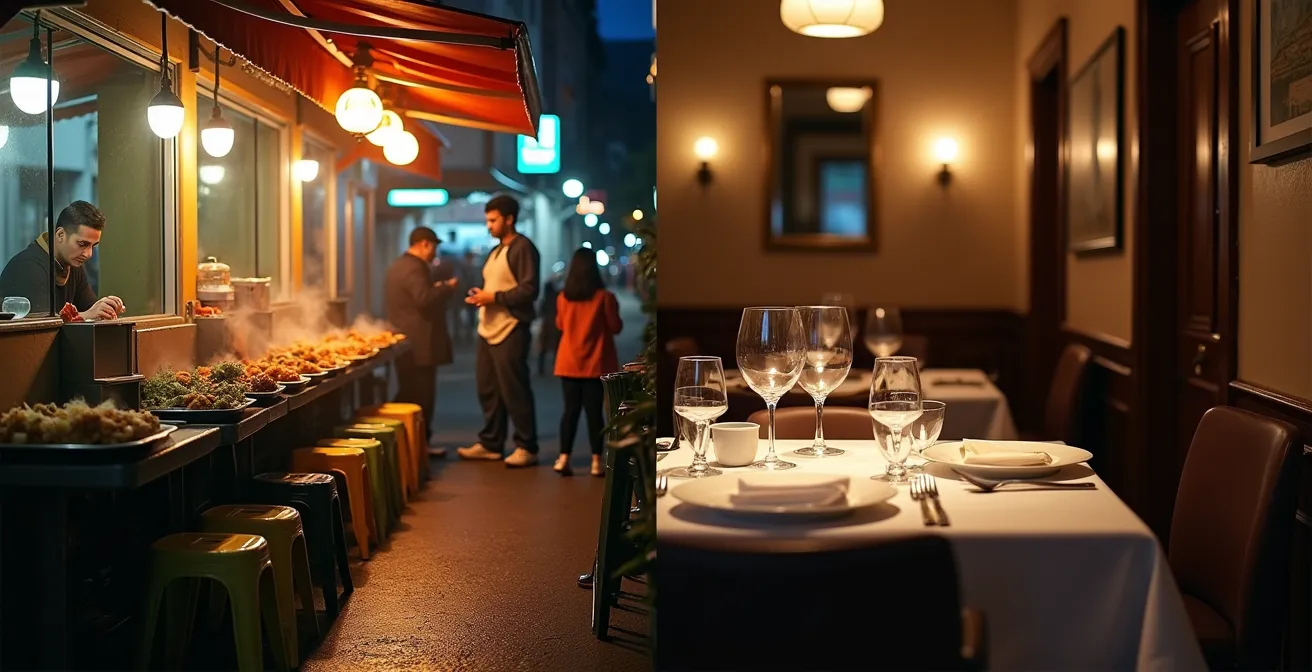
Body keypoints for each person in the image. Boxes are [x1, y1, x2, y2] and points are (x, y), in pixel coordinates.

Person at [457, 194, 541, 468]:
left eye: (493, 220)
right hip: (488, 327)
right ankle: (492, 443)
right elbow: (496, 285)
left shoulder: (523, 248)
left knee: (514, 389)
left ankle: (526, 446)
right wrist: (483, 295)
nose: (488, 226)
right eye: (487, 220)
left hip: (512, 327)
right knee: (488, 387)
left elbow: (529, 290)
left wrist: (494, 298)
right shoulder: (495, 251)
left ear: (509, 219)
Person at [384, 226, 459, 458]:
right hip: (420, 343)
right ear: (425, 244)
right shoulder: (415, 268)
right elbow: (423, 299)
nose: (435, 252)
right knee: (421, 395)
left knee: (409, 392)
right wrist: (446, 288)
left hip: (407, 341)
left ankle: (410, 443)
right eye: (434, 246)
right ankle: (419, 444)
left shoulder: (398, 265)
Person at [552, 248, 623, 477]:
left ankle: (564, 458)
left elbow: (561, 325)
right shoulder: (605, 298)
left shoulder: (563, 298)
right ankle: (596, 461)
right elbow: (615, 327)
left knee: (569, 412)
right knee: (594, 413)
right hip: (596, 362)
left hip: (568, 362)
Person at [0, 200, 124, 320]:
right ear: (60, 235)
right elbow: (40, 329)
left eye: (93, 246)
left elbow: (91, 309)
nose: (88, 254)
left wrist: (105, 308)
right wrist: (87, 315)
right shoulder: (27, 268)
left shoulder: (74, 264)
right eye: (82, 244)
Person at [537, 274, 561, 375]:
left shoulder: (545, 299)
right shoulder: (557, 297)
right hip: (555, 324)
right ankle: (556, 366)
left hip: (547, 324)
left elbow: (541, 311)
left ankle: (541, 368)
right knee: (556, 347)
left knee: (543, 348)